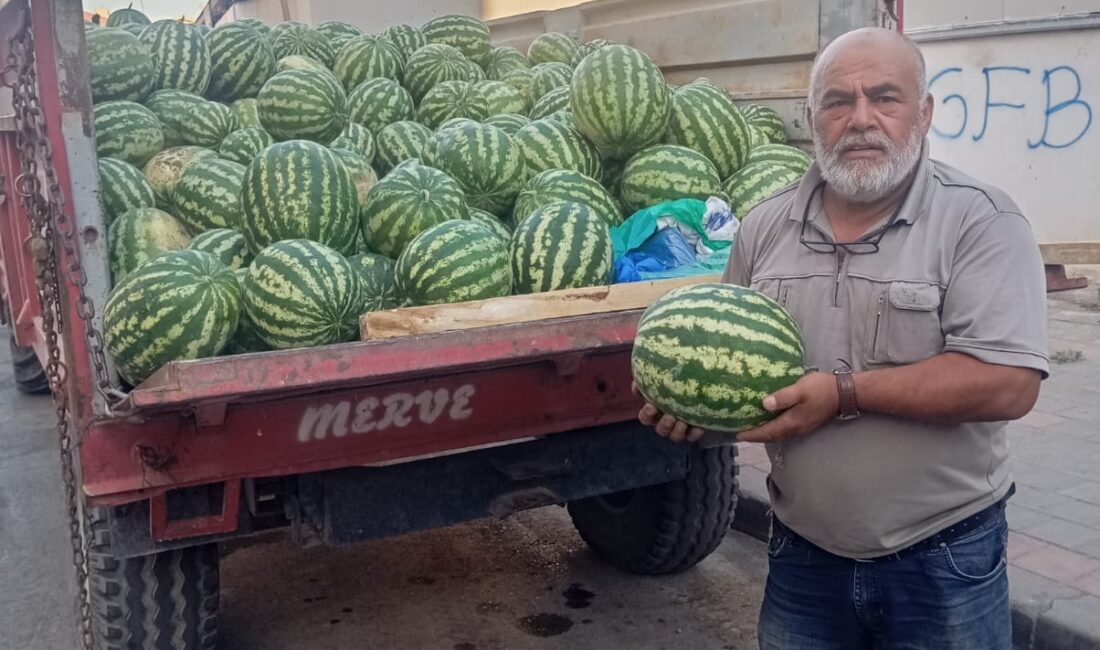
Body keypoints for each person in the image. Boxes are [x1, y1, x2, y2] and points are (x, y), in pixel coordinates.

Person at [635, 27, 1049, 649]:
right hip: (804, 559)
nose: (860, 119)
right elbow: (740, 375)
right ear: (810, 118)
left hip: (941, 561)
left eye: (885, 98)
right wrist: (698, 417)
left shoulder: (982, 220)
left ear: (924, 112)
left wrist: (844, 393)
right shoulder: (763, 227)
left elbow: (1009, 383)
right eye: (837, 101)